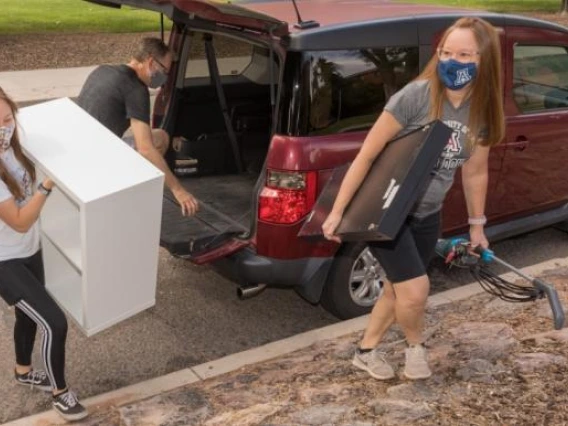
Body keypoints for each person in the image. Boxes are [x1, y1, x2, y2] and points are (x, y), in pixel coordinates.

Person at [322, 17, 505, 380]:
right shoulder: (414, 97)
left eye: (465, 54)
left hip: (427, 213)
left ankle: (365, 351)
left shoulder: (482, 109)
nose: (453, 61)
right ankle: (415, 348)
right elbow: (367, 155)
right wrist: (338, 211)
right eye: (446, 52)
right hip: (388, 212)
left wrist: (477, 226)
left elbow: (475, 172)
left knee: (397, 289)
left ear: (484, 60)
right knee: (417, 289)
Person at [0, 88, 88, 421]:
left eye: (8, 119)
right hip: (5, 261)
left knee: (27, 315)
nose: (5, 128)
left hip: (30, 250)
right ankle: (60, 394)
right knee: (54, 322)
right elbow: (21, 221)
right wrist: (48, 185)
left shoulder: (15, 149)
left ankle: (23, 371)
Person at [77, 37, 198, 217]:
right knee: (160, 140)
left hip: (79, 150)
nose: (164, 78)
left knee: (157, 135)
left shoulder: (102, 71)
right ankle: (136, 200)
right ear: (150, 62)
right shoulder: (136, 89)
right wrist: (178, 190)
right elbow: (145, 148)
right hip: (100, 161)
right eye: (164, 70)